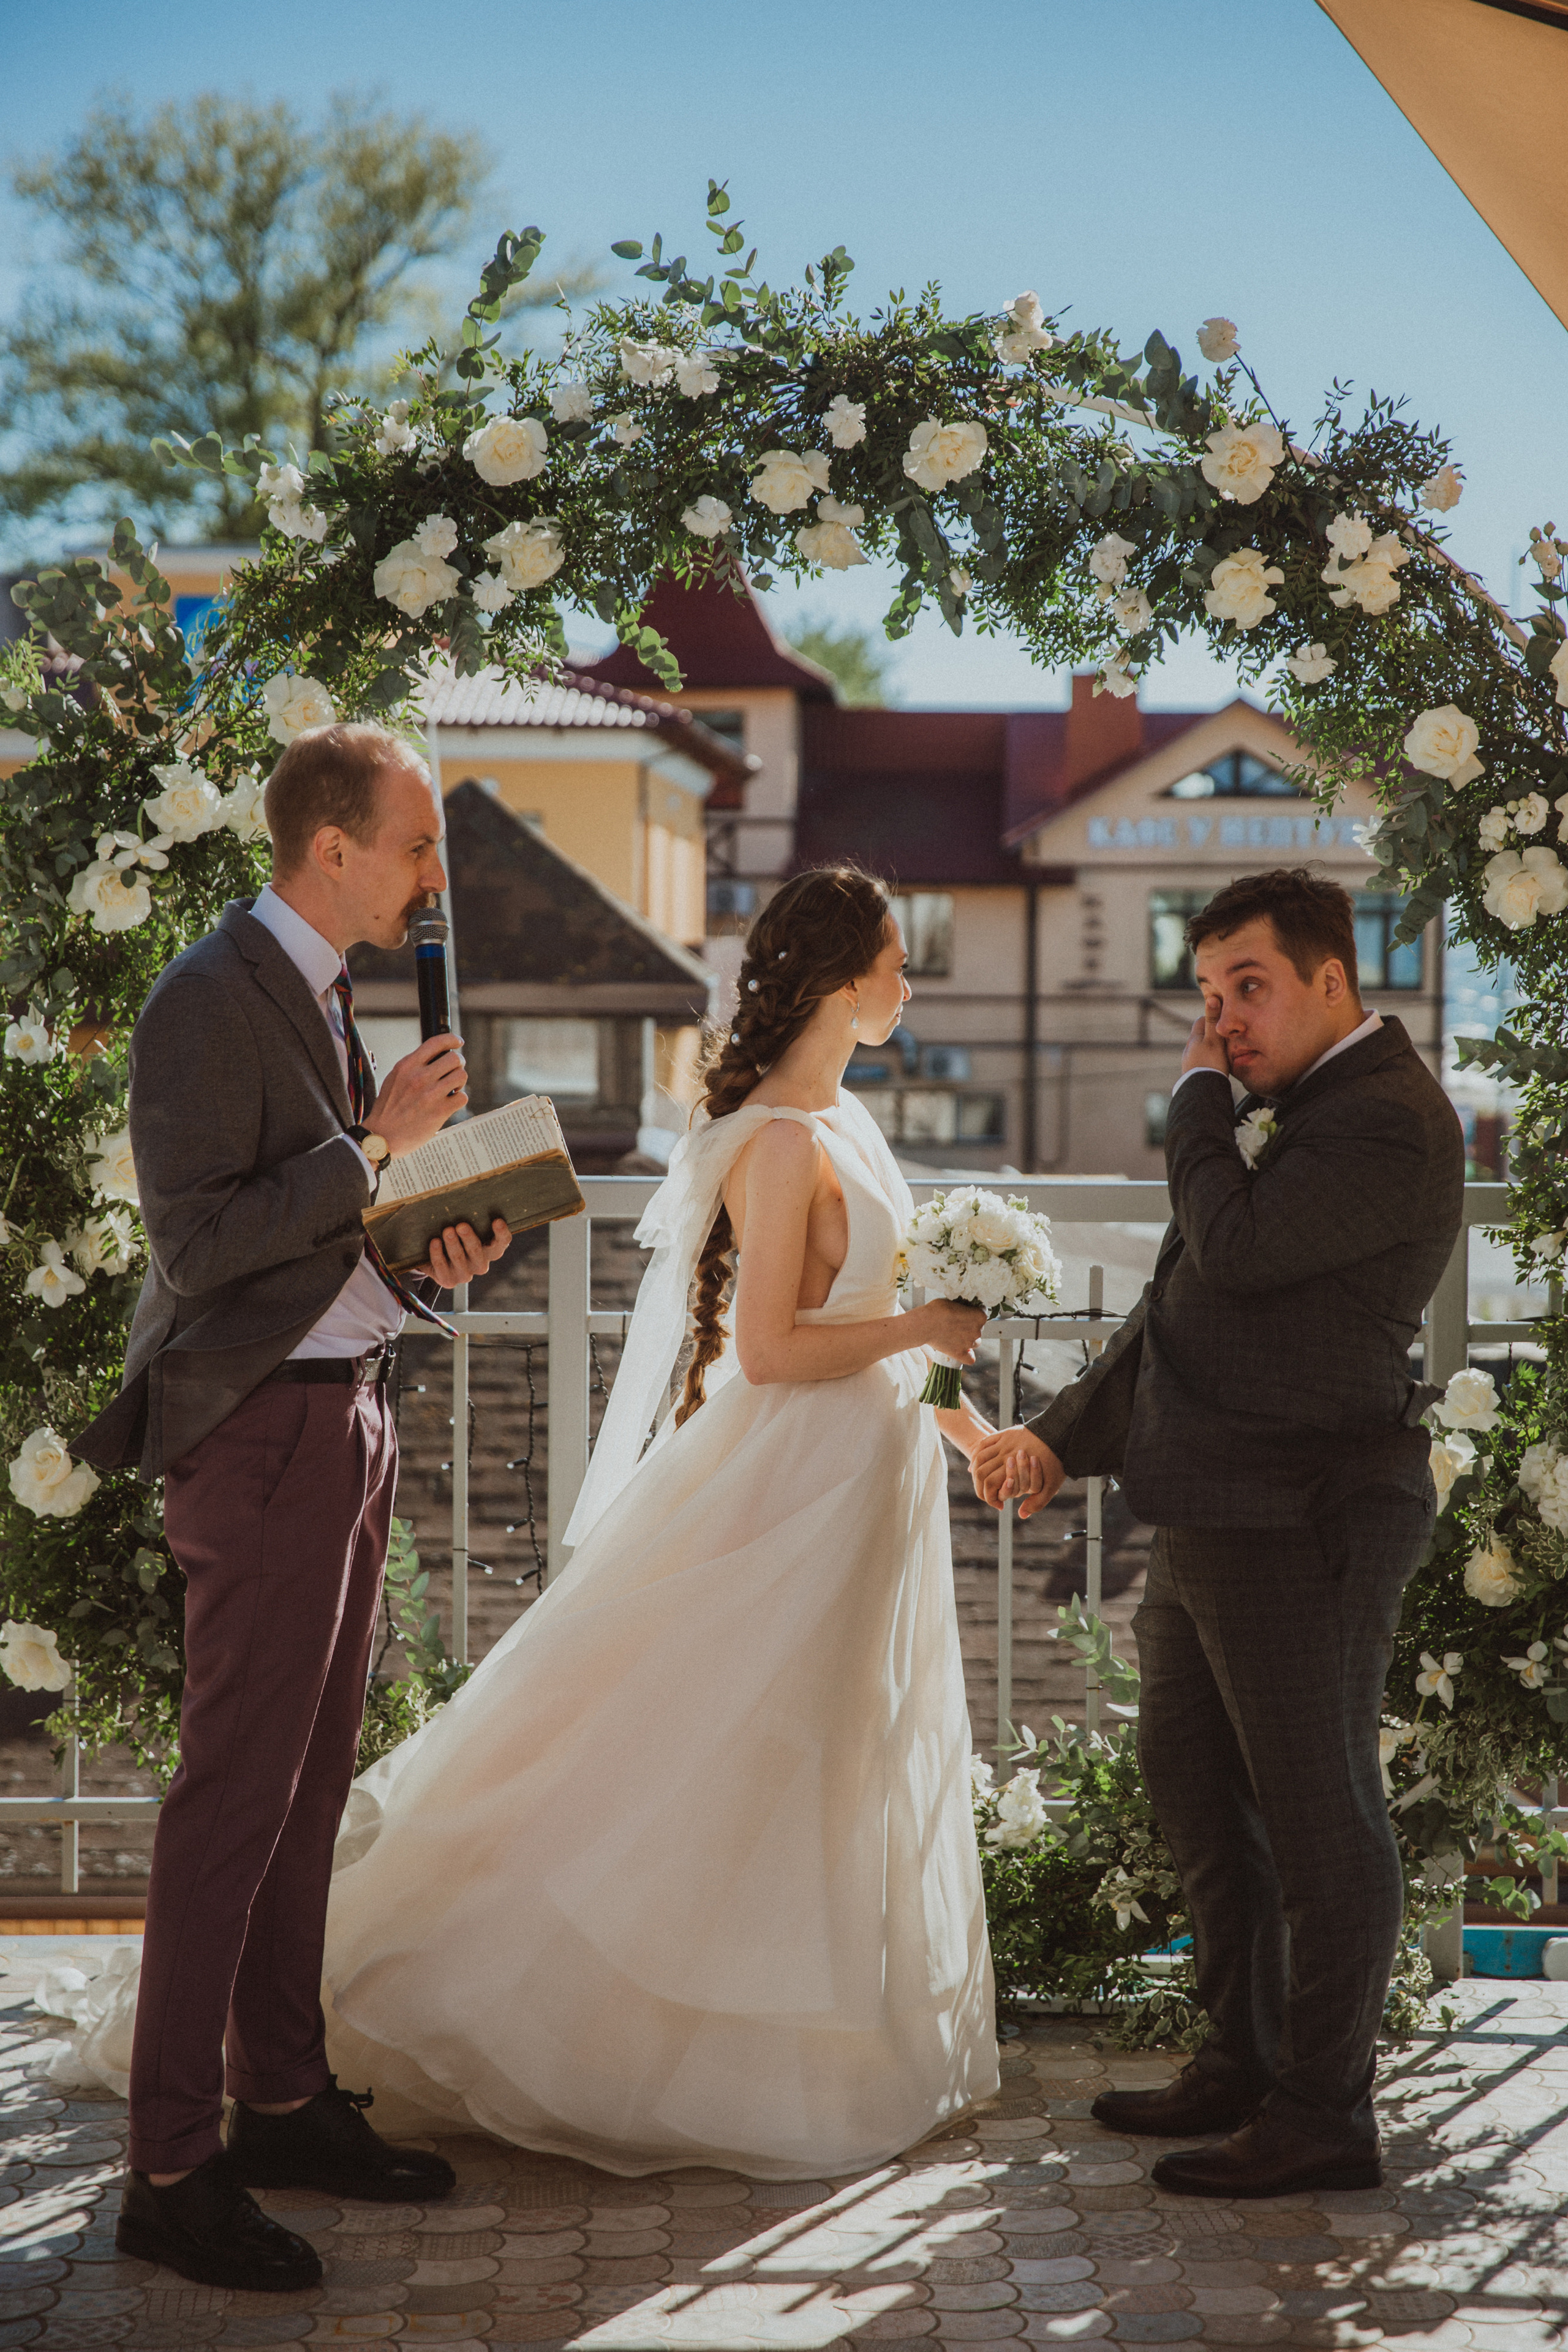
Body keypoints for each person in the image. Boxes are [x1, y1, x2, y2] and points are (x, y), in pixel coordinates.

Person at [317, 865, 1001, 2179]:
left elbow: (873, 1326)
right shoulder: (782, 1139)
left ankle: (819, 2045)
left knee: (829, 1750)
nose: (907, 986)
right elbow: (776, 1346)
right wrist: (921, 1328)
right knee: (728, 1748)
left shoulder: (847, 1118)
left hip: (867, 1475)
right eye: (895, 963)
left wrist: (963, 1426)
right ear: (837, 977)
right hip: (790, 1477)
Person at [76, 723, 513, 2291]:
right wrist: (375, 1143)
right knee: (230, 1806)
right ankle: (170, 2171)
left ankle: (279, 2095)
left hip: (349, 1420)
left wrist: (424, 1240)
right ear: (329, 846)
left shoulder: (323, 991)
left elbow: (316, 1234)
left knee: (308, 1794)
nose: (430, 875)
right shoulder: (204, 997)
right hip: (259, 1441)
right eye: (414, 844)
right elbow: (199, 1249)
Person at [972, 867, 1463, 2198]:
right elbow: (1181, 1305)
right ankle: (1240, 2061)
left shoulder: (1384, 1122)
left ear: (1330, 981)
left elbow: (1233, 1251)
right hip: (1208, 1510)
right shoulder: (1289, 1111)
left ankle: (1322, 2113)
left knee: (1319, 1818)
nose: (1220, 1024)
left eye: (1245, 989)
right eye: (1205, 997)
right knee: (1196, 1794)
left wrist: (1190, 1105)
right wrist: (1060, 1438)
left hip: (1303, 1514)